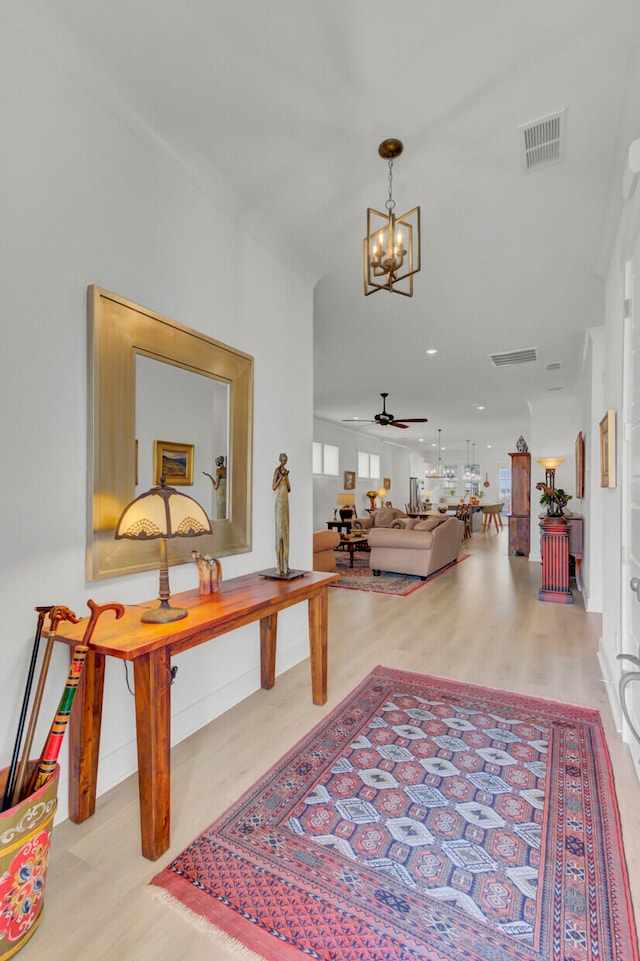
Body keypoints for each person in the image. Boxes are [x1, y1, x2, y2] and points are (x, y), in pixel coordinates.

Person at [272, 452, 290, 575]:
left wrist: (286, 477)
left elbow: (289, 489)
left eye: (285, 460)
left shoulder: (285, 471)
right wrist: (280, 478)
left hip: (285, 503)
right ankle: (279, 567)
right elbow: (273, 487)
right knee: (279, 533)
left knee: (286, 531)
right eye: (283, 460)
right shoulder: (277, 470)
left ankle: (286, 564)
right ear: (280, 459)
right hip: (279, 503)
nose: (284, 462)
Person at [203, 455, 226, 519]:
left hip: (220, 494)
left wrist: (209, 476)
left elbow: (215, 486)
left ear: (218, 462)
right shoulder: (226, 469)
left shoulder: (218, 471)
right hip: (226, 494)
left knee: (220, 514)